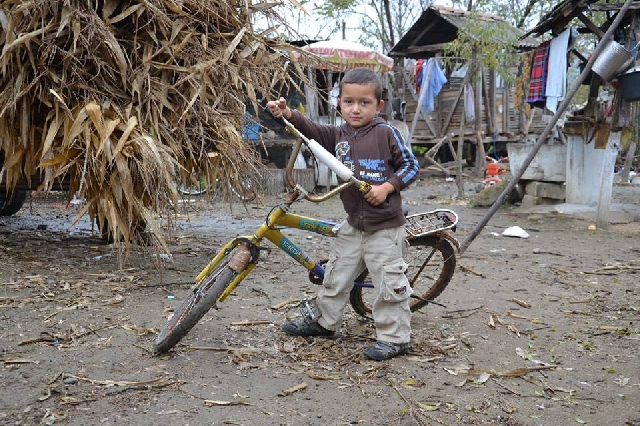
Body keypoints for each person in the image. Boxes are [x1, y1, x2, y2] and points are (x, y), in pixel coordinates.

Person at [266, 67, 420, 361]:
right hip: (354, 223)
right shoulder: (339, 134)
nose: (356, 109)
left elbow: (411, 166)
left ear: (379, 106)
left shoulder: (386, 133)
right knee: (335, 274)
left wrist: (387, 187)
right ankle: (325, 322)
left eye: (364, 103)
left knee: (389, 283)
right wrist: (288, 114)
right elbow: (309, 129)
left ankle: (395, 338)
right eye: (349, 102)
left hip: (384, 227)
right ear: (339, 103)